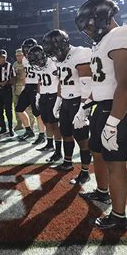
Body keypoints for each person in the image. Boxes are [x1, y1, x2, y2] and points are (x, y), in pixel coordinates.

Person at [75, 0, 127, 231]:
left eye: (89, 24)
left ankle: (119, 216)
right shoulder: (103, 42)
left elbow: (126, 84)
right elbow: (103, 83)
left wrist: (113, 122)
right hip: (103, 106)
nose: (87, 30)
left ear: (101, 18)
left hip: (120, 108)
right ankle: (102, 192)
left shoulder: (124, 35)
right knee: (97, 150)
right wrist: (85, 105)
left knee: (115, 162)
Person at [42, 29, 93, 185]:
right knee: (66, 133)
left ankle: (85, 171)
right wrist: (58, 102)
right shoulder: (59, 58)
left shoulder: (80, 54)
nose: (54, 55)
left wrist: (84, 109)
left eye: (55, 50)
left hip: (79, 101)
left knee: (82, 138)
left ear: (63, 45)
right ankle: (68, 162)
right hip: (65, 101)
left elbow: (87, 84)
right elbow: (62, 82)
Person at [25, 45, 62, 161]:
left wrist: (59, 97)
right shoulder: (37, 66)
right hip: (44, 96)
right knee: (46, 122)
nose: (35, 63)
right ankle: (50, 144)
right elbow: (40, 80)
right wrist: (38, 94)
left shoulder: (53, 62)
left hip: (54, 95)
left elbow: (61, 79)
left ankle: (58, 151)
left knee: (55, 124)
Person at [15, 38, 46, 144]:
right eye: (25, 48)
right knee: (19, 109)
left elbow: (42, 75)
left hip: (36, 86)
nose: (26, 51)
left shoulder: (40, 57)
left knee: (37, 113)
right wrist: (23, 86)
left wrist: (39, 91)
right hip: (28, 86)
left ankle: (42, 134)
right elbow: (25, 73)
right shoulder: (24, 59)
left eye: (28, 48)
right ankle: (29, 131)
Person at [12, 48, 35, 131]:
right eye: (17, 56)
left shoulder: (27, 63)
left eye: (20, 55)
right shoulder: (14, 64)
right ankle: (19, 124)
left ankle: (31, 126)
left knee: (27, 109)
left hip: (25, 89)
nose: (18, 57)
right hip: (16, 89)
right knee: (17, 108)